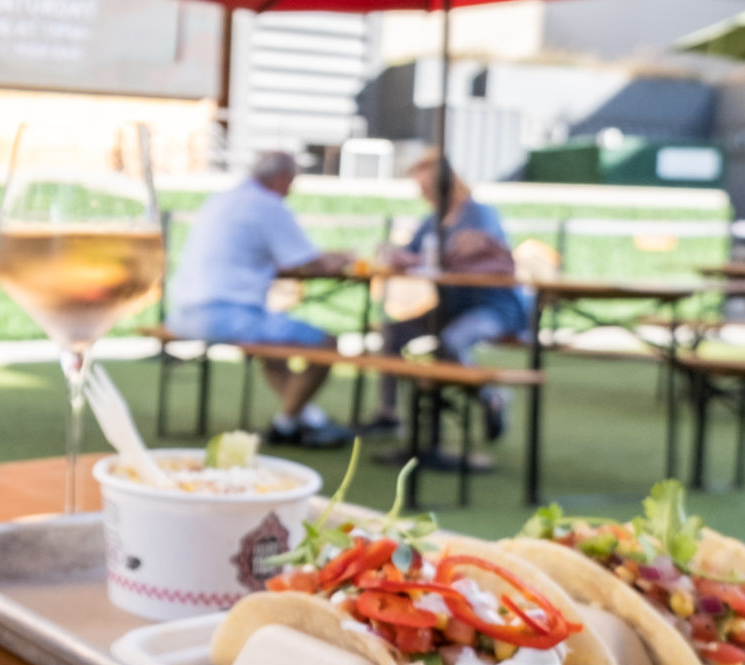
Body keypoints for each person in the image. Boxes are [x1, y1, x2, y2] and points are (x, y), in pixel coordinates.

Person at [166, 150, 360, 448]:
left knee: (272, 351)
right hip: (225, 315)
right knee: (327, 344)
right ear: (282, 177)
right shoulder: (266, 205)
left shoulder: (222, 199)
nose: (292, 188)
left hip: (183, 312)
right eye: (293, 180)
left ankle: (307, 418)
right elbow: (306, 263)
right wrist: (342, 258)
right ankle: (286, 425)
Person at [360, 153, 532, 446]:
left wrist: (423, 258)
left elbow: (477, 251)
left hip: (493, 307)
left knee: (451, 341)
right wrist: (397, 254)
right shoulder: (432, 220)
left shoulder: (479, 214)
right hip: (450, 307)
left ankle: (491, 396)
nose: (423, 192)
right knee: (393, 333)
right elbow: (416, 255)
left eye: (426, 185)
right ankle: (388, 414)